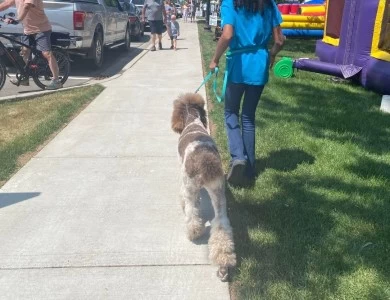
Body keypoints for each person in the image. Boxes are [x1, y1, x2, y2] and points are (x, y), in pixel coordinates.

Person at [209, 0, 285, 186]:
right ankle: (250, 168)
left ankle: (238, 157)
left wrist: (215, 59)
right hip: (259, 64)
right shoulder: (268, 3)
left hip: (239, 66)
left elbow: (227, 35)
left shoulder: (231, 3)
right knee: (248, 116)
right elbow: (279, 41)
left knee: (230, 112)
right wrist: (272, 54)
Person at [0, 0, 62, 89]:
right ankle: (25, 77)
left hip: (41, 29)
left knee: (46, 53)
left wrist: (18, 19)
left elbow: (27, 6)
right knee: (25, 52)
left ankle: (56, 81)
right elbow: (7, 3)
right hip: (27, 30)